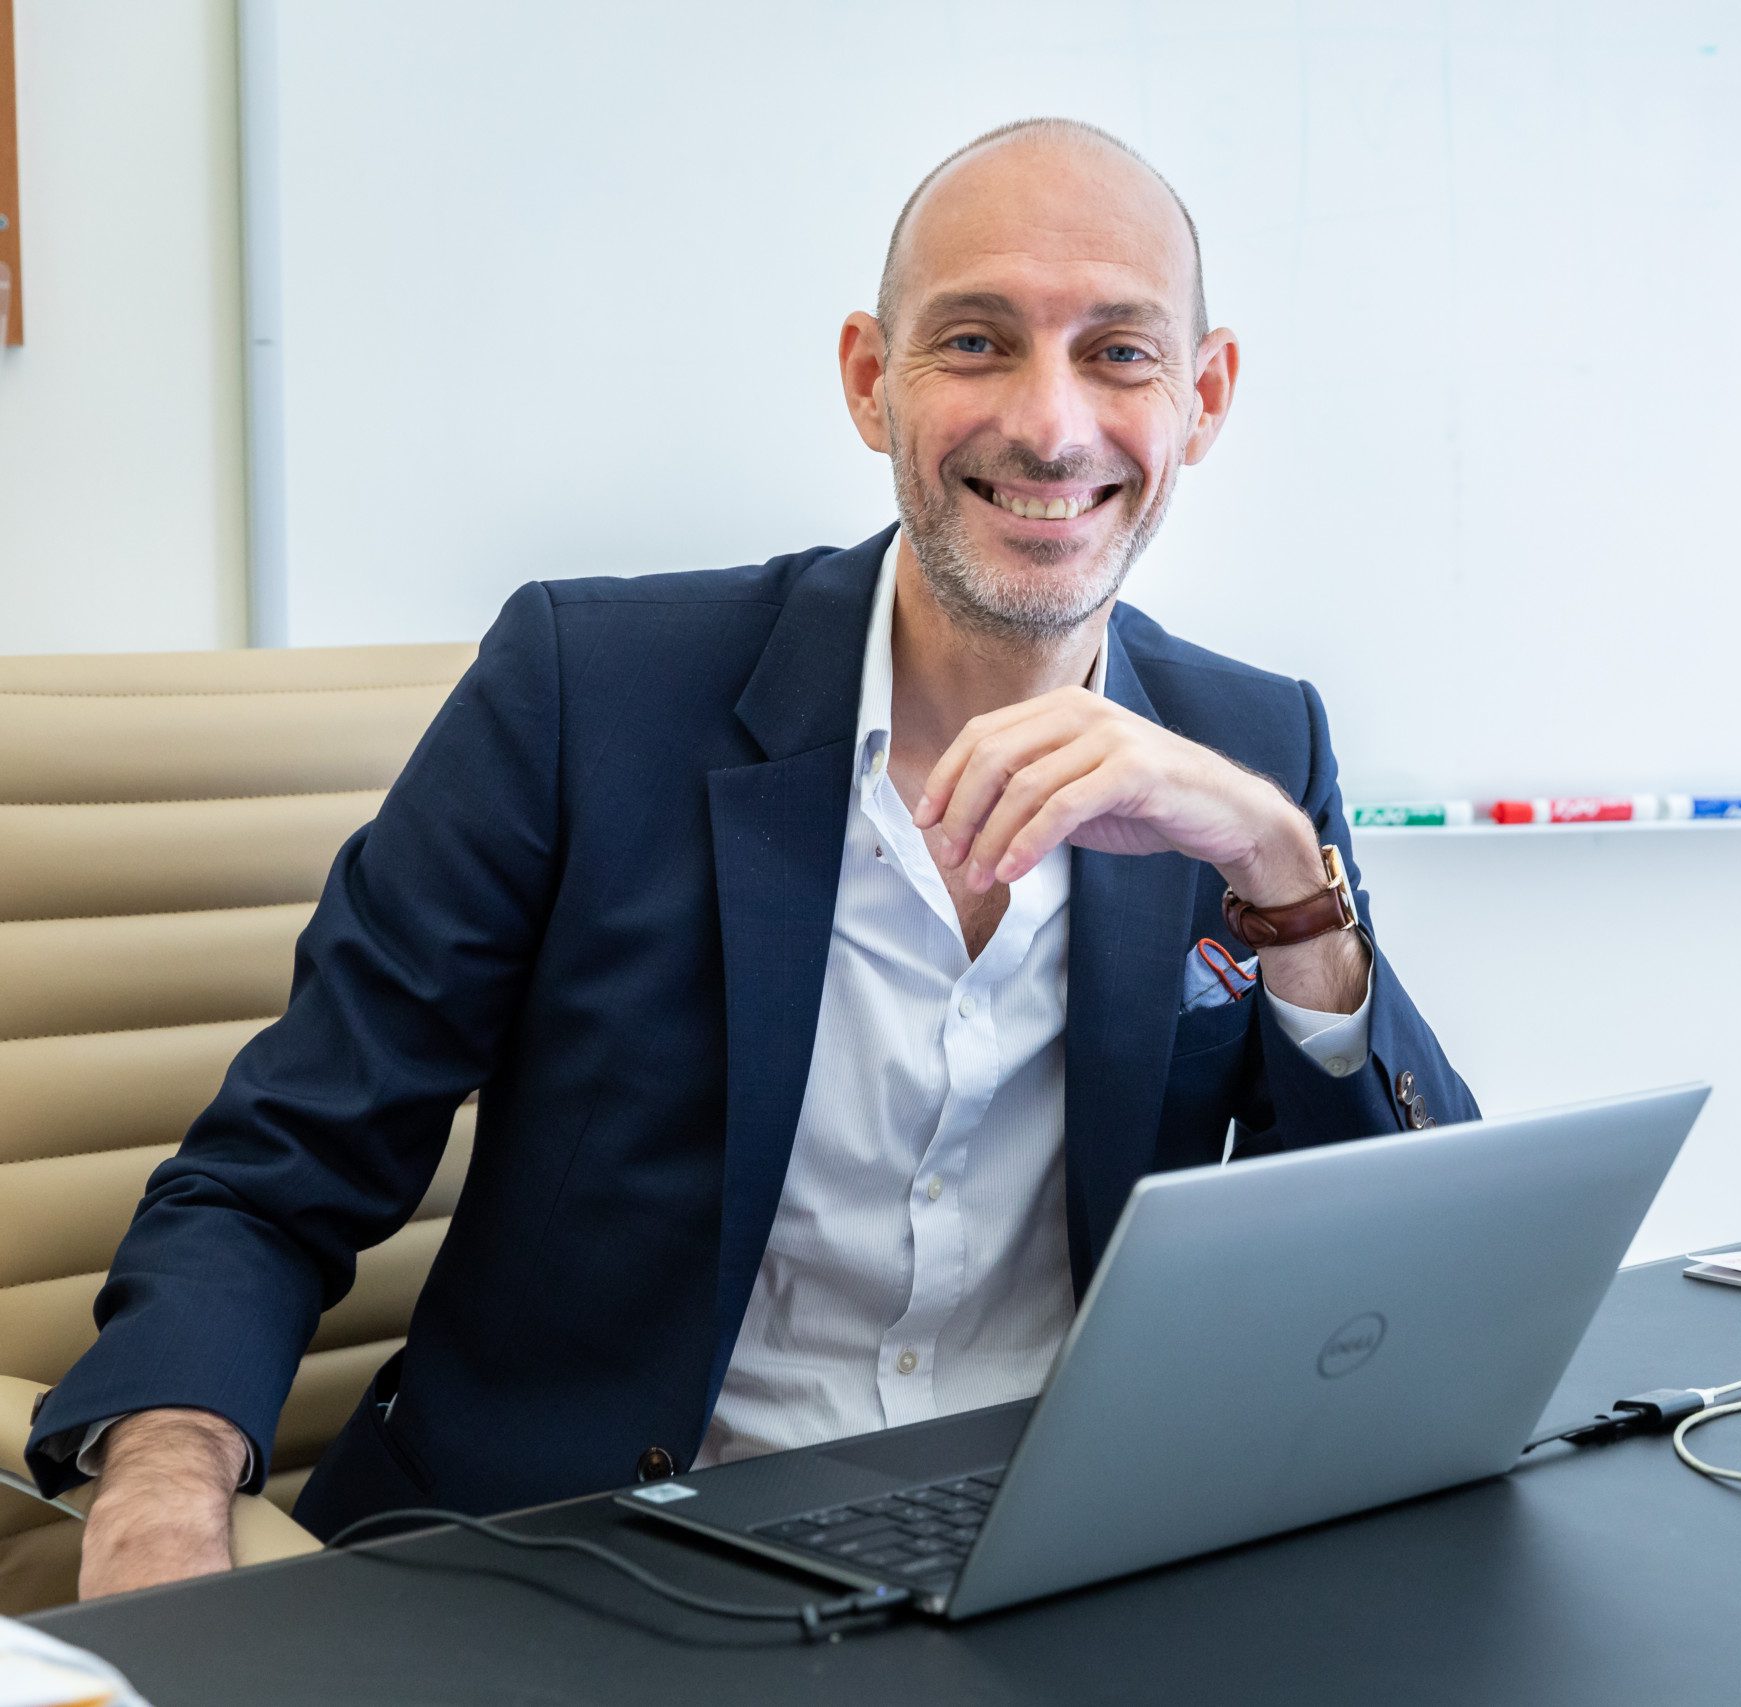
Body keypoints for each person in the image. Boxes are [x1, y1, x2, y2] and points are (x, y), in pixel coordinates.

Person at [29, 117, 1475, 1599]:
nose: (1053, 426)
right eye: (976, 342)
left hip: (1059, 1570)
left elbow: (1412, 1290)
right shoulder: (587, 694)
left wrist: (1289, 880)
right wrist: (159, 1494)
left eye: (1120, 353)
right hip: (594, 1573)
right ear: (870, 378)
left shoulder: (1253, 752)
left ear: (1204, 396)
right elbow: (278, 1172)